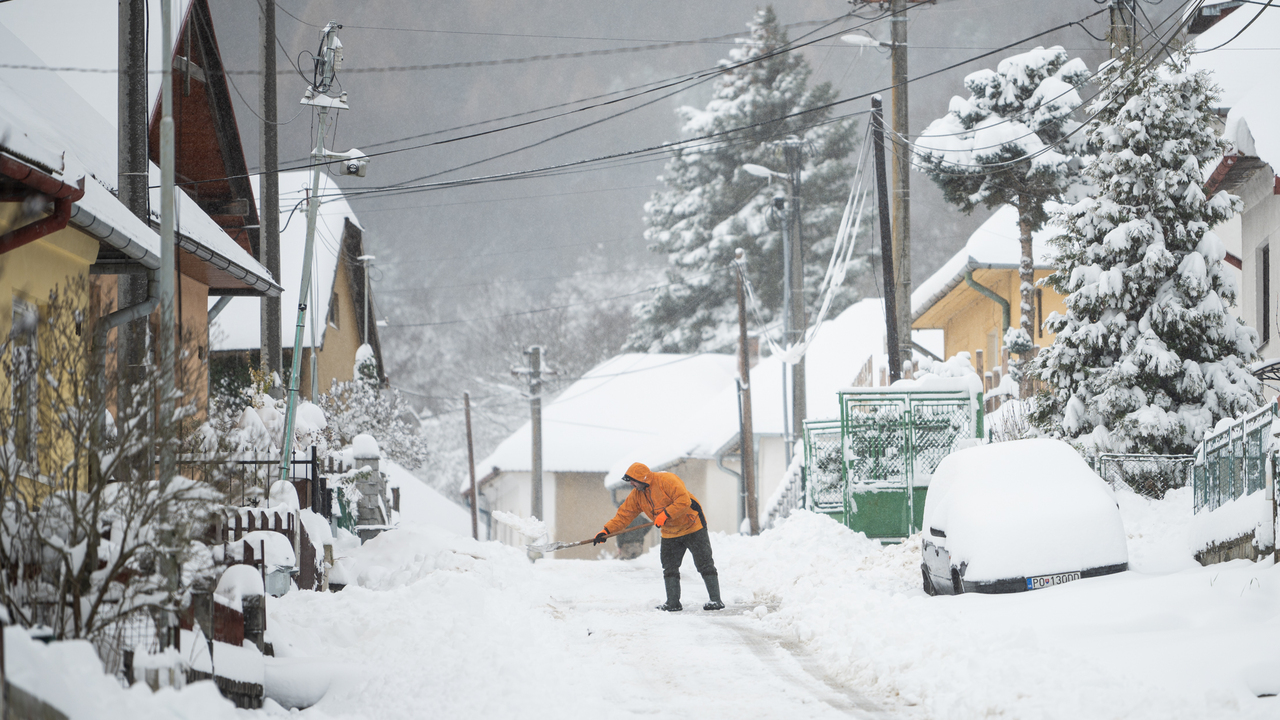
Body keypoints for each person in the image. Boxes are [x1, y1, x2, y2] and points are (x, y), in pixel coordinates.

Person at [594, 462, 724, 612]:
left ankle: (716, 600)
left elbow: (684, 500)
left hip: (693, 526)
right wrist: (606, 531)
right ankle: (673, 603)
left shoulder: (667, 480)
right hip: (670, 532)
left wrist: (666, 514)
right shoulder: (637, 496)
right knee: (669, 566)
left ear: (642, 479)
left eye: (633, 480)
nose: (631, 484)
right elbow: (623, 516)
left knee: (704, 563)